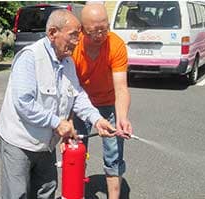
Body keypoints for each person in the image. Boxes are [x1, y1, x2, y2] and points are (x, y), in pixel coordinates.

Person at [0, 10, 115, 199]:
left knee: (46, 191)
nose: (78, 41)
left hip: (46, 144)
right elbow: (24, 103)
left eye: (79, 35)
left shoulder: (67, 61)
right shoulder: (30, 57)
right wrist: (57, 123)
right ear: (53, 33)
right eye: (73, 35)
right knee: (17, 195)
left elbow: (76, 95)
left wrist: (97, 119)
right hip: (19, 142)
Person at [68, 4, 134, 199]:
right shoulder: (74, 46)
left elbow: (121, 87)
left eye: (103, 29)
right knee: (76, 151)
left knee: (114, 156)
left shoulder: (116, 44)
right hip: (81, 105)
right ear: (82, 29)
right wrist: (69, 119)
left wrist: (122, 117)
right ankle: (75, 193)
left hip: (108, 104)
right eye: (93, 32)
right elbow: (69, 89)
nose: (99, 36)